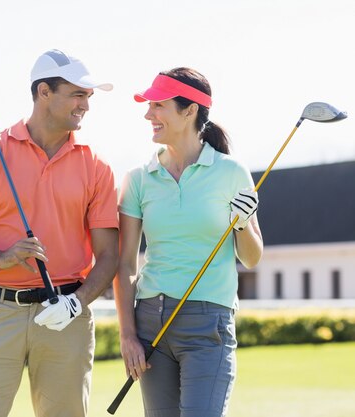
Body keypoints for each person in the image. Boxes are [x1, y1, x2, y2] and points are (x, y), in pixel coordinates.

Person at [0, 49, 119, 417]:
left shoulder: (97, 166)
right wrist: (0, 257)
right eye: (77, 94)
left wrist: (77, 303)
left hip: (65, 315)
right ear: (43, 92)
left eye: (88, 96)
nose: (85, 105)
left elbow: (110, 256)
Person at [113, 67, 263, 417]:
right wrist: (127, 335)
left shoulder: (231, 172)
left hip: (207, 322)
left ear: (189, 110)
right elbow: (124, 264)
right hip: (150, 322)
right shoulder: (138, 179)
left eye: (158, 105)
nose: (148, 114)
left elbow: (252, 258)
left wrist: (241, 224)